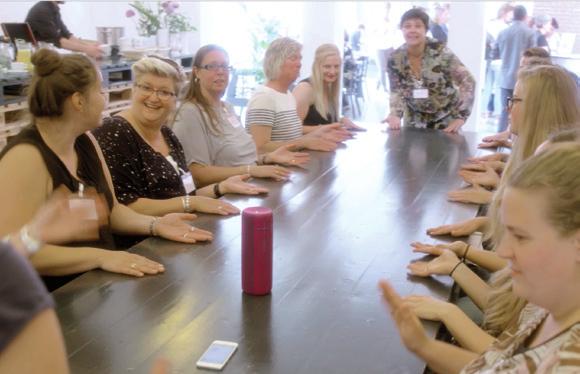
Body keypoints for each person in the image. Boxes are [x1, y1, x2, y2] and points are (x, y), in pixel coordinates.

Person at [0, 49, 206, 291]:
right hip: (52, 300)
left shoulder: (86, 141)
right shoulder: (25, 157)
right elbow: (12, 252)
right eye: (100, 91)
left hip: (95, 288)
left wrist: (155, 224)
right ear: (79, 101)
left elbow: (112, 211)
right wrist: (102, 257)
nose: (105, 99)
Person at [380, 144, 580, 373]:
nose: (503, 251)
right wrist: (423, 346)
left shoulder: (569, 362)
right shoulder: (551, 309)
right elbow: (496, 366)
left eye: (521, 237)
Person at [94, 56, 271, 219]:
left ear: (175, 100)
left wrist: (221, 187)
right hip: (142, 242)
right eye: (146, 88)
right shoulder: (115, 131)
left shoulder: (167, 135)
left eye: (164, 92)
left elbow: (184, 194)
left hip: (179, 228)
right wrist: (190, 203)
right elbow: (125, 206)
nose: (154, 97)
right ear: (134, 90)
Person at [171, 45, 310, 187]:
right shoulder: (191, 112)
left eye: (224, 66)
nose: (220, 72)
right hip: (225, 194)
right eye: (212, 66)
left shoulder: (227, 107)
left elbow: (239, 157)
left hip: (249, 182)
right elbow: (197, 174)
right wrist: (251, 170)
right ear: (196, 72)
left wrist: (266, 159)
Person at [446, 64, 580, 206]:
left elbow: (545, 221)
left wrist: (497, 197)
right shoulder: (549, 151)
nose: (507, 107)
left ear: (538, 108)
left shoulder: (559, 162)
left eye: (515, 100)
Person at [245, 37, 351, 152]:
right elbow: (259, 147)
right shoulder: (264, 98)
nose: (299, 64)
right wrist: (305, 142)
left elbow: (292, 138)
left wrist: (322, 132)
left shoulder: (287, 96)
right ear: (276, 62)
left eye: (300, 59)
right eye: (293, 58)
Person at [382, 8, 475, 132]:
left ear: (426, 29)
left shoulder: (441, 52)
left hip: (445, 120)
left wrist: (461, 116)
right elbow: (396, 90)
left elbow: (468, 81)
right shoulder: (395, 58)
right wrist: (395, 114)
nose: (412, 30)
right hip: (414, 120)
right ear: (402, 30)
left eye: (418, 26)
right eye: (407, 26)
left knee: (443, 151)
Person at [292, 43, 363, 130]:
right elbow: (292, 129)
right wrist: (327, 128)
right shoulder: (305, 89)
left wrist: (341, 121)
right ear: (316, 67)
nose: (333, 72)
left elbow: (319, 120)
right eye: (327, 66)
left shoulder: (329, 87)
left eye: (336, 66)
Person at [496, 5, 535, 133]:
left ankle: (500, 136)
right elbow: (533, 56)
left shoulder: (502, 33)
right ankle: (517, 140)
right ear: (524, 16)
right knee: (522, 112)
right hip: (523, 79)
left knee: (505, 110)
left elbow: (495, 53)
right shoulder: (530, 33)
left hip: (505, 78)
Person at [25, 1, 103, 59]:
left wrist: (89, 46)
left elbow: (67, 35)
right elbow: (59, 41)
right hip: (37, 58)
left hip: (44, 56)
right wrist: (87, 49)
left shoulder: (53, 9)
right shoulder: (42, 11)